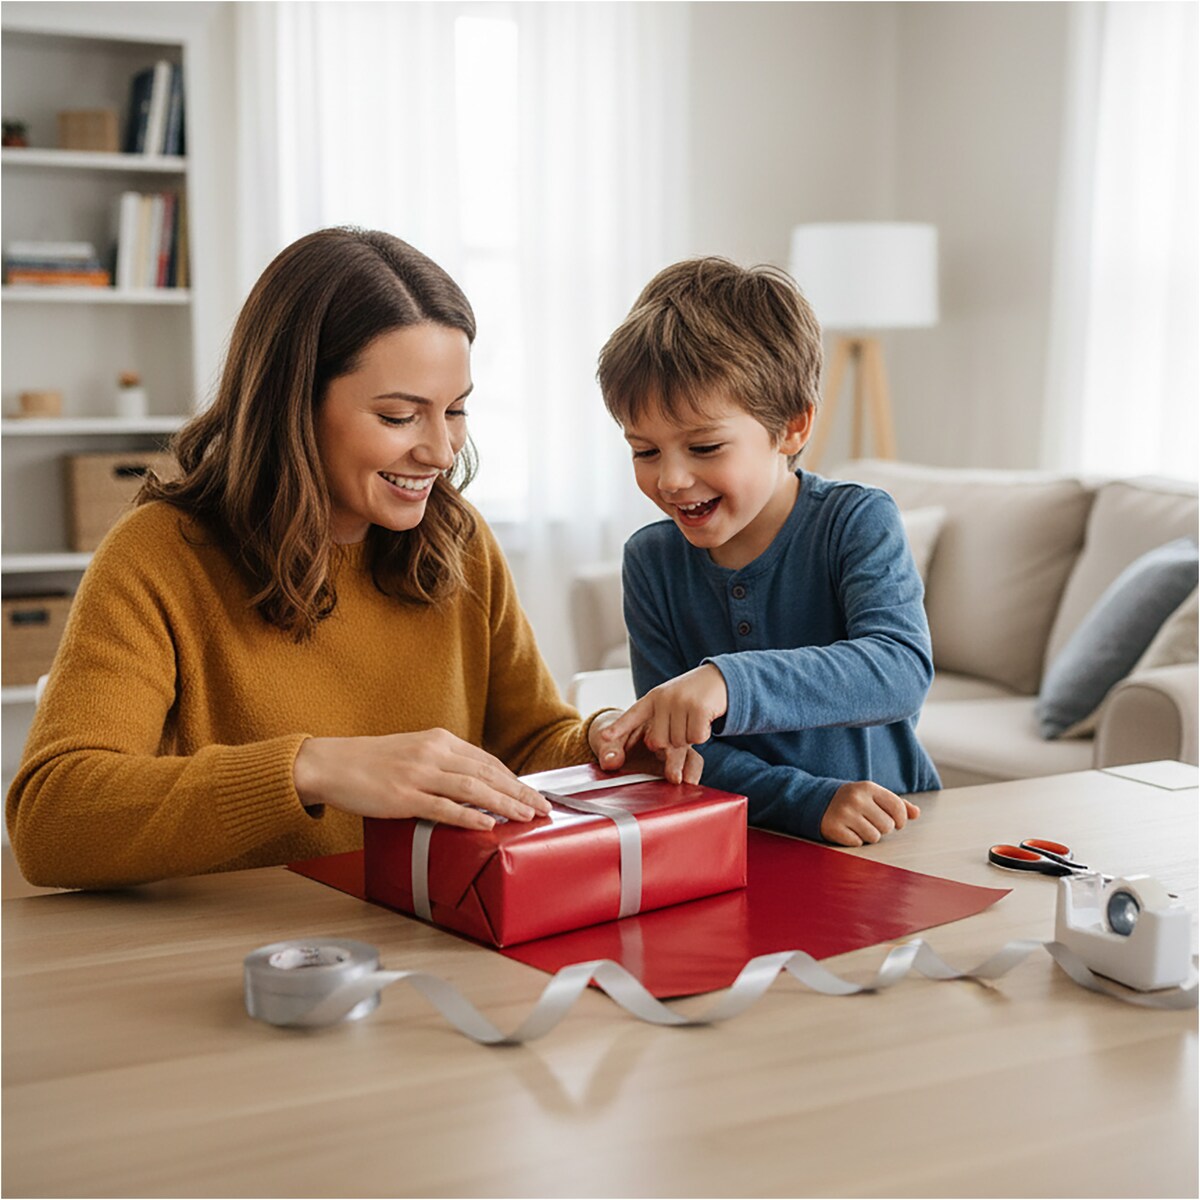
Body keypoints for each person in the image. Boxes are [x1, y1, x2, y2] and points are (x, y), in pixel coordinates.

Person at [6, 227, 697, 890]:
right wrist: (310, 767)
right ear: (292, 404)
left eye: (455, 410)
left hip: (426, 927)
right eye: (399, 416)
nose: (441, 450)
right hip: (239, 959)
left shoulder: (458, 543)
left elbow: (527, 740)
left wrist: (603, 747)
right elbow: (52, 818)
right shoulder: (160, 556)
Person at [592, 257, 941, 846]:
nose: (672, 479)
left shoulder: (855, 521)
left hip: (893, 832)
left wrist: (727, 683)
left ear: (793, 428)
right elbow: (678, 754)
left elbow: (899, 669)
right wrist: (807, 802)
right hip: (754, 837)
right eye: (645, 451)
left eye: (704, 447)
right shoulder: (650, 562)